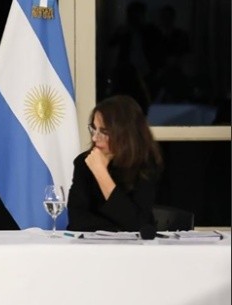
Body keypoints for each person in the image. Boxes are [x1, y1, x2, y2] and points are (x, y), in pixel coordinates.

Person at [67, 95, 163, 232]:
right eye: (94, 129)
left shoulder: (146, 165)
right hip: (90, 248)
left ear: (125, 133)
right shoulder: (84, 162)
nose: (94, 138)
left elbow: (137, 224)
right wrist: (118, 226)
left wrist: (101, 173)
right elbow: (76, 221)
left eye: (104, 132)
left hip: (137, 250)